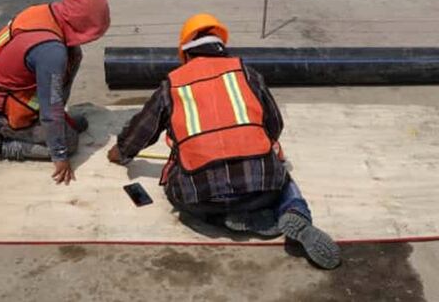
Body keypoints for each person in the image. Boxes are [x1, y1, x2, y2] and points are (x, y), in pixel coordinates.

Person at [107, 14, 341, 269]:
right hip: (262, 191)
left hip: (202, 199)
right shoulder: (247, 74)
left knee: (178, 184)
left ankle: (224, 219)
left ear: (185, 54)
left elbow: (139, 133)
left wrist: (119, 152)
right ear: (221, 49)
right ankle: (294, 212)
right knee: (280, 172)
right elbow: (275, 126)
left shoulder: (172, 86)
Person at [0, 0, 111, 185]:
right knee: (69, 143)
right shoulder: (52, 52)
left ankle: (52, 127)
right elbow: (50, 107)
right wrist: (59, 154)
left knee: (74, 54)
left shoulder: (44, 14)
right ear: (82, 25)